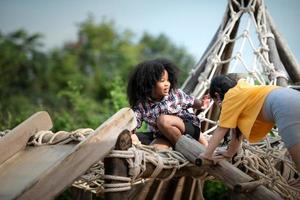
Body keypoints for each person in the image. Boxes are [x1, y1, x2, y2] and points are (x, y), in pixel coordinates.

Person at [200, 74, 300, 171]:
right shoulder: (243, 91)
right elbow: (237, 133)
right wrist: (229, 154)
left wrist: (206, 155)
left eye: (216, 102)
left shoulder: (230, 97)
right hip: (293, 95)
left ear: (217, 96)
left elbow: (221, 129)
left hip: (285, 107)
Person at [127, 58, 210, 149]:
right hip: (164, 135)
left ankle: (196, 143)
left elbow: (191, 101)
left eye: (168, 80)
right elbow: (134, 123)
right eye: (162, 81)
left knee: (163, 120)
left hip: (186, 127)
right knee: (155, 149)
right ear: (149, 84)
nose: (167, 84)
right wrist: (131, 135)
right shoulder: (142, 106)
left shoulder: (174, 94)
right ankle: (181, 147)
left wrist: (202, 105)